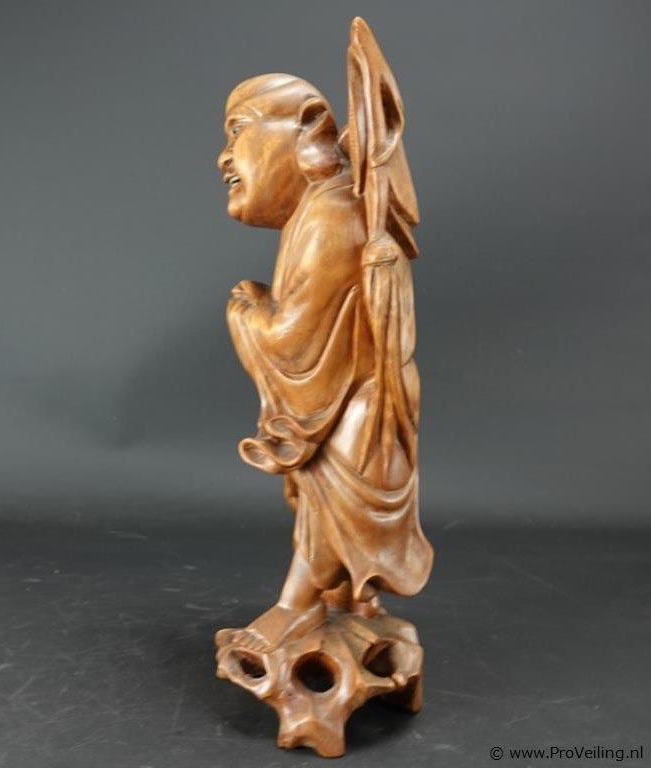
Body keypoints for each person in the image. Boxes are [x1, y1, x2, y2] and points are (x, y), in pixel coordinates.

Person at [217, 71, 433, 653]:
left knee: (325, 514)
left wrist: (246, 311)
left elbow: (294, 349)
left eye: (237, 130)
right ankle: (351, 603)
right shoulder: (321, 211)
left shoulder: (334, 216)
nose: (223, 157)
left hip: (362, 410)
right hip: (360, 402)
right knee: (320, 511)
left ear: (310, 126)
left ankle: (294, 612)